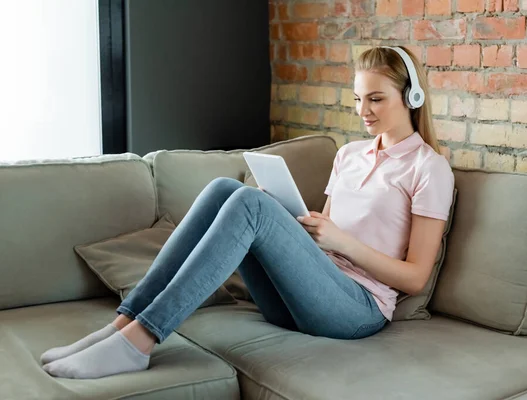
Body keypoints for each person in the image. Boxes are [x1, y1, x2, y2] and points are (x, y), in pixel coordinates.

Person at [40, 46, 454, 379]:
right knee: (226, 188)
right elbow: (324, 233)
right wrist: (302, 229)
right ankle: (120, 327)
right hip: (304, 294)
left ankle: (138, 343)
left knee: (250, 203)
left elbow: (415, 278)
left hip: (358, 311)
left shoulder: (428, 168)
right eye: (359, 99)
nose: (364, 111)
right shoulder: (348, 155)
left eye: (377, 99)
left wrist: (343, 242)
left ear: (411, 98)